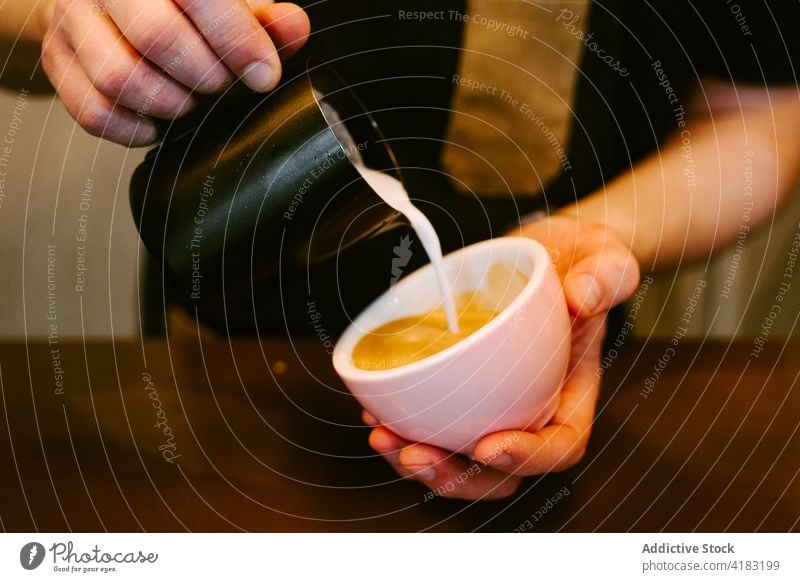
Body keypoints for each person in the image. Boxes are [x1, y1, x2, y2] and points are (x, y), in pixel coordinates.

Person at [2, 0, 799, 501]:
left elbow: (763, 112)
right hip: (227, 352)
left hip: (557, 357)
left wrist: (581, 248)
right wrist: (62, 18)